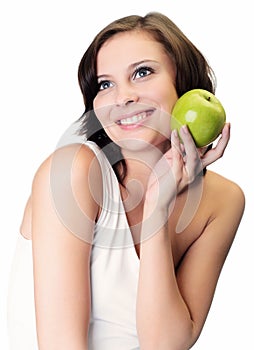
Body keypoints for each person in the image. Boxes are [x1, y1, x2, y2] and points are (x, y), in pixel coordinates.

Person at [19, 12, 245, 350]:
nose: (122, 97)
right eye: (105, 84)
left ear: (185, 86)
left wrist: (158, 207)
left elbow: (164, 344)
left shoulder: (223, 201)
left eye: (142, 73)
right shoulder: (72, 172)